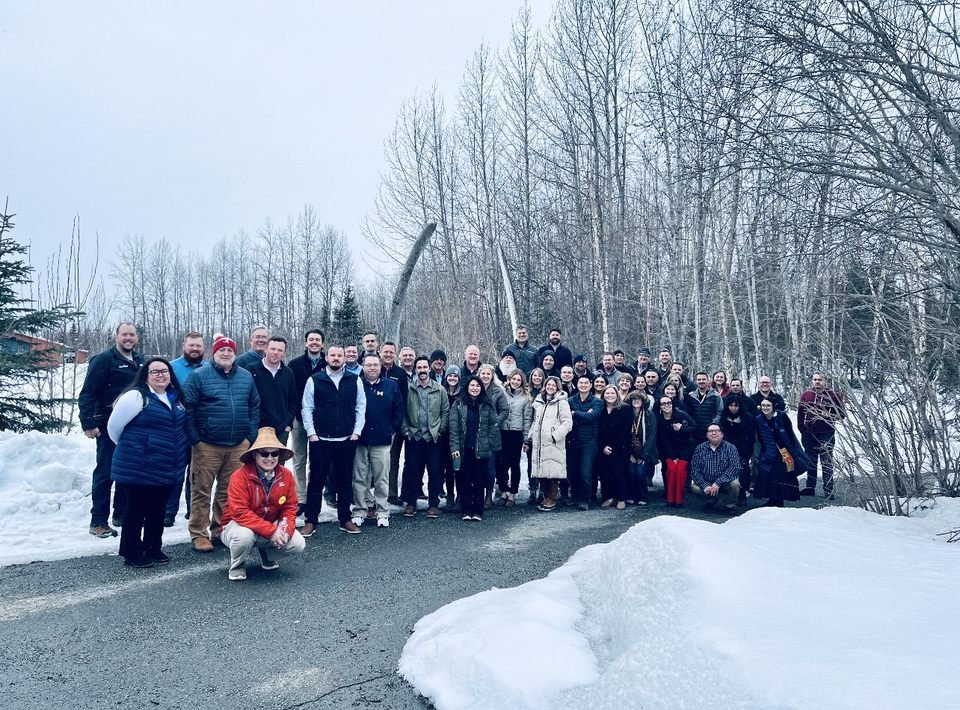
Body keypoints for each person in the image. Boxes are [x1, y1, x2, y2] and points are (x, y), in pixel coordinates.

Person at [182, 335, 260, 552]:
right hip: (207, 444)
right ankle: (198, 533)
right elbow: (188, 408)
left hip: (238, 444)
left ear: (235, 354)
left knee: (228, 490)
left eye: (230, 350)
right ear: (213, 353)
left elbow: (254, 405)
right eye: (221, 350)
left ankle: (220, 528)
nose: (226, 354)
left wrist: (249, 436)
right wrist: (195, 438)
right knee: (201, 489)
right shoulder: (199, 376)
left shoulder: (245, 377)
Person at [107, 357, 186, 567]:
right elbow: (114, 428)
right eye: (155, 372)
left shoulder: (176, 398)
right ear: (146, 376)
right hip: (138, 464)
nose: (161, 375)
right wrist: (142, 446)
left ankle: (153, 547)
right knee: (136, 509)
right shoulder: (136, 397)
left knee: (157, 509)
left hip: (166, 463)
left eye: (165, 371)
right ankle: (131, 552)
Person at [78, 322, 144, 537]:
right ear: (116, 337)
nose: (128, 338)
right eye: (124, 334)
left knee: (128, 472)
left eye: (132, 335)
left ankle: (120, 514)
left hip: (133, 426)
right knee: (106, 473)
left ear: (137, 338)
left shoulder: (141, 360)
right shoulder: (105, 360)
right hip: (107, 425)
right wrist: (88, 422)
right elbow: (88, 392)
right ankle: (98, 521)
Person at [220, 428, 305, 581]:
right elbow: (239, 512)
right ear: (255, 455)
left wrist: (284, 530)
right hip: (237, 525)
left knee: (298, 543)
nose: (270, 458)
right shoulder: (239, 476)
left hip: (268, 525)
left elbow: (290, 507)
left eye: (275, 453)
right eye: (264, 453)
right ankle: (237, 565)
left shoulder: (286, 475)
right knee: (243, 537)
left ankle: (267, 554)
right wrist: (272, 530)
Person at [300, 344, 366, 536]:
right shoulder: (315, 380)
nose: (336, 358)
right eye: (333, 355)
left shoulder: (354, 380)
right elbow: (307, 408)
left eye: (340, 355)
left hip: (346, 439)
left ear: (344, 358)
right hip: (321, 439)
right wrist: (311, 433)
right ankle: (311, 520)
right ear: (326, 358)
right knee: (316, 480)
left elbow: (360, 407)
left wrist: (357, 432)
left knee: (344, 480)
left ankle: (345, 519)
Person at [352, 354, 404, 528]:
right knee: (360, 478)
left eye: (375, 365)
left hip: (382, 440)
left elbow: (399, 410)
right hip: (360, 439)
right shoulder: (355, 384)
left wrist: (391, 429)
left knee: (382, 478)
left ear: (381, 366)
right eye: (368, 365)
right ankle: (360, 510)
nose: (372, 368)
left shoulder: (391, 386)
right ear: (363, 366)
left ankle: (382, 511)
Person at [165, 330, 207, 525]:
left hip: (201, 430)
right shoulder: (171, 368)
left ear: (204, 348)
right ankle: (168, 511)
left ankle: (194, 511)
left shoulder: (209, 368)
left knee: (197, 473)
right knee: (176, 471)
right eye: (191, 345)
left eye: (198, 345)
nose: (195, 349)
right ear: (184, 346)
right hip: (177, 429)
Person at [401, 356, 450, 518]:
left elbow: (445, 411)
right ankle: (411, 503)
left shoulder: (439, 389)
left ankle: (433, 504)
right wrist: (406, 431)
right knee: (413, 471)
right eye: (419, 367)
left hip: (433, 438)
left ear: (430, 369)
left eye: (424, 367)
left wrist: (440, 430)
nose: (422, 370)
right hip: (414, 436)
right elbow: (402, 412)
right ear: (415, 369)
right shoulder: (409, 389)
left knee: (435, 471)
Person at [449, 376, 500, 521]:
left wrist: (488, 443)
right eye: (472, 385)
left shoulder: (486, 404)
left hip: (481, 448)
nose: (475, 388)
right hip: (464, 448)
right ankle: (466, 509)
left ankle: (478, 510)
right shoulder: (458, 404)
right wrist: (455, 447)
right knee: (464, 479)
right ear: (467, 387)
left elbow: (493, 425)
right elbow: (454, 428)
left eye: (478, 386)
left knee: (479, 479)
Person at [287, 329, 325, 514]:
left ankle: (314, 495)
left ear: (322, 343)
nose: (314, 342)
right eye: (311, 339)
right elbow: (289, 392)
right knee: (299, 459)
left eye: (318, 340)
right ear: (305, 343)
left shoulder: (329, 363)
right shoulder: (294, 365)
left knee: (318, 461)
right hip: (299, 419)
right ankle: (301, 498)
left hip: (322, 422)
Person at [525, 376, 572, 511]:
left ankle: (551, 498)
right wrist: (530, 438)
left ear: (557, 387)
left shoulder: (561, 403)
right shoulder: (539, 402)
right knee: (542, 472)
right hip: (539, 442)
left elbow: (568, 423)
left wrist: (555, 435)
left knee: (552, 472)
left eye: (553, 385)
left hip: (553, 441)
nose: (550, 387)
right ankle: (546, 497)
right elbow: (535, 422)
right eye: (548, 385)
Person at [755, 398, 810, 507]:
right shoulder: (759, 419)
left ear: (773, 406)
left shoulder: (781, 416)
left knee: (782, 475)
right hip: (768, 450)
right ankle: (772, 499)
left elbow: (790, 434)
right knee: (770, 475)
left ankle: (779, 501)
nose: (765, 408)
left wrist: (793, 450)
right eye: (763, 405)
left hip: (784, 450)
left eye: (768, 405)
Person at [797, 372, 845, 498]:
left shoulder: (833, 396)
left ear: (825, 381)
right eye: (815, 379)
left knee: (826, 462)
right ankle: (810, 487)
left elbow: (841, 414)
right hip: (809, 433)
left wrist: (827, 414)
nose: (817, 382)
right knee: (811, 461)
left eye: (820, 379)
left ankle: (829, 491)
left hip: (826, 433)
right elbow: (800, 413)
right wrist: (802, 428)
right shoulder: (806, 395)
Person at [248, 336, 299, 445]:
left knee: (278, 461)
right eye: (273, 349)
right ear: (266, 349)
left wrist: (288, 425)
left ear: (284, 353)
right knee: (254, 461)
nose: (276, 352)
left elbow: (293, 401)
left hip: (280, 430)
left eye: (280, 350)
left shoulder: (288, 373)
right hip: (256, 429)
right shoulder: (251, 370)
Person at [495, 371, 532, 506]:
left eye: (518, 380)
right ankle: (503, 490)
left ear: (522, 382)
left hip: (516, 433)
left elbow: (527, 419)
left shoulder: (525, 398)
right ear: (509, 379)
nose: (515, 382)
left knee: (514, 464)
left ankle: (513, 494)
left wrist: (526, 439)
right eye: (513, 379)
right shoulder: (502, 393)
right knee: (501, 464)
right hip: (503, 431)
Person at [566, 374, 601, 510]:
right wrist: (584, 414)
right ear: (577, 385)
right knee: (573, 470)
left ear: (591, 385)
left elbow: (592, 416)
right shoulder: (570, 400)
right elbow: (567, 417)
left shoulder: (596, 401)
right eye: (581, 383)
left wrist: (575, 413)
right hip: (573, 440)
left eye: (586, 383)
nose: (583, 385)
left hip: (589, 442)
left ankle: (585, 499)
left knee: (585, 471)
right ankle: (574, 496)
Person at [380, 342, 409, 506]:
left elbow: (403, 402)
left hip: (394, 425)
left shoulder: (400, 374)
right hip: (374, 424)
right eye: (386, 352)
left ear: (395, 354)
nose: (388, 354)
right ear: (380, 353)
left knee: (393, 459)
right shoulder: (373, 369)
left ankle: (391, 493)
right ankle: (374, 494)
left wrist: (396, 424)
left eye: (391, 352)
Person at [689, 424, 741, 513]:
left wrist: (718, 483)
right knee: (695, 488)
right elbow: (694, 470)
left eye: (716, 431)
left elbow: (735, 467)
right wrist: (704, 485)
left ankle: (729, 506)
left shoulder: (731, 448)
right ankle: (710, 501)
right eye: (710, 431)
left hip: (725, 482)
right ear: (706, 435)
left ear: (722, 434)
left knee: (735, 484)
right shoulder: (700, 448)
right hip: (707, 481)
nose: (713, 433)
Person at [596, 385, 632, 510]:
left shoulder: (625, 409)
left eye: (612, 393)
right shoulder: (600, 409)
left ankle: (621, 498)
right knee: (605, 473)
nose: (610, 395)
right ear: (603, 395)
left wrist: (613, 447)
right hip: (603, 447)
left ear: (617, 395)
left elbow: (625, 431)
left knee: (618, 473)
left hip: (620, 447)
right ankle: (608, 497)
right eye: (607, 393)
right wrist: (603, 446)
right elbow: (597, 430)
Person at [656, 395, 696, 507]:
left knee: (680, 470)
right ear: (659, 406)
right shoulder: (658, 419)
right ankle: (670, 498)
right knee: (672, 470)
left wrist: (681, 429)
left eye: (668, 402)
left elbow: (694, 427)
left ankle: (679, 499)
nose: (666, 405)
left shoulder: (681, 414)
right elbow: (662, 440)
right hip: (668, 452)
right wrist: (673, 456)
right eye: (663, 403)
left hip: (685, 450)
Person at [720, 394, 756, 506]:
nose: (734, 408)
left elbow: (749, 437)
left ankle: (742, 495)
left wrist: (744, 453)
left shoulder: (748, 418)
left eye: (736, 406)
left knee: (742, 471)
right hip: (725, 449)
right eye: (731, 405)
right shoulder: (723, 417)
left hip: (742, 450)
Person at [624, 390, 657, 506]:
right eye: (634, 399)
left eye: (639, 399)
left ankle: (643, 496)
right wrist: (630, 454)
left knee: (640, 472)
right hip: (630, 451)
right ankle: (631, 495)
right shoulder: (626, 414)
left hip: (645, 451)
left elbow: (652, 436)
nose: (636, 401)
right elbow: (622, 435)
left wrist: (643, 455)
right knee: (631, 472)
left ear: (643, 401)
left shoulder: (649, 414)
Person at [441, 366, 462, 510]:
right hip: (444, 435)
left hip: (459, 436)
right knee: (448, 468)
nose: (452, 378)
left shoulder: (462, 395)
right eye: (450, 376)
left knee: (458, 467)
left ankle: (460, 497)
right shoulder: (442, 392)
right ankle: (449, 497)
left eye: (455, 376)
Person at [684, 371, 723, 444]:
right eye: (699, 379)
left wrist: (713, 425)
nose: (701, 381)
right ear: (696, 381)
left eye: (703, 379)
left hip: (709, 432)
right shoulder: (691, 396)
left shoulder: (716, 396)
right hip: (694, 433)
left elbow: (720, 412)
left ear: (708, 381)